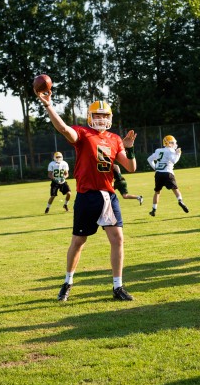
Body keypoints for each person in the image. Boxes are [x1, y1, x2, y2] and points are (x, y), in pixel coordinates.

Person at [35, 90, 137, 301]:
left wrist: (130, 148)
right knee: (78, 241)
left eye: (105, 115)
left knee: (117, 239)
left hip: (108, 195)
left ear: (110, 118)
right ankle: (68, 281)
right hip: (86, 195)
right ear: (90, 117)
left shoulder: (115, 139)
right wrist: (48, 106)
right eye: (97, 115)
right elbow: (63, 129)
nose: (101, 118)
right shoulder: (82, 132)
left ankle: (117, 287)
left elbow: (130, 167)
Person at [147, 135, 189, 217]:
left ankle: (153, 210)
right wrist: (178, 154)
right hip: (168, 173)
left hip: (158, 174)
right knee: (175, 189)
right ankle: (180, 201)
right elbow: (174, 161)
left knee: (157, 192)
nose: (174, 144)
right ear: (168, 143)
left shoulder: (158, 150)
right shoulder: (170, 150)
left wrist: (156, 168)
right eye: (173, 142)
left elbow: (149, 159)